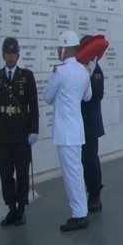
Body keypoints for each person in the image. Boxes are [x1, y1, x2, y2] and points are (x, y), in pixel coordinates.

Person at [0, 37, 39, 227]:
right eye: (7, 53)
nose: (10, 57)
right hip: (2, 132)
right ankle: (11, 207)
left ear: (18, 55)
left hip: (21, 131)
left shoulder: (27, 76)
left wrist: (34, 130)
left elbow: (33, 105)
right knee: (5, 172)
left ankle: (21, 208)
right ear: (3, 55)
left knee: (22, 171)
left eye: (13, 53)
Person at [43, 30, 93, 232]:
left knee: (72, 174)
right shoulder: (83, 71)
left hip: (65, 132)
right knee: (76, 172)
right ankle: (81, 211)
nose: (57, 52)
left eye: (58, 49)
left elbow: (46, 97)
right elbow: (87, 97)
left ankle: (79, 215)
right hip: (76, 131)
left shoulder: (61, 72)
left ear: (64, 49)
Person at [80, 36, 105, 213]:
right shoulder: (77, 68)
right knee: (79, 162)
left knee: (91, 161)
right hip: (76, 123)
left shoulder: (95, 69)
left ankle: (95, 195)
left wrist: (88, 76)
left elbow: (97, 94)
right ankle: (83, 195)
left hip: (90, 124)